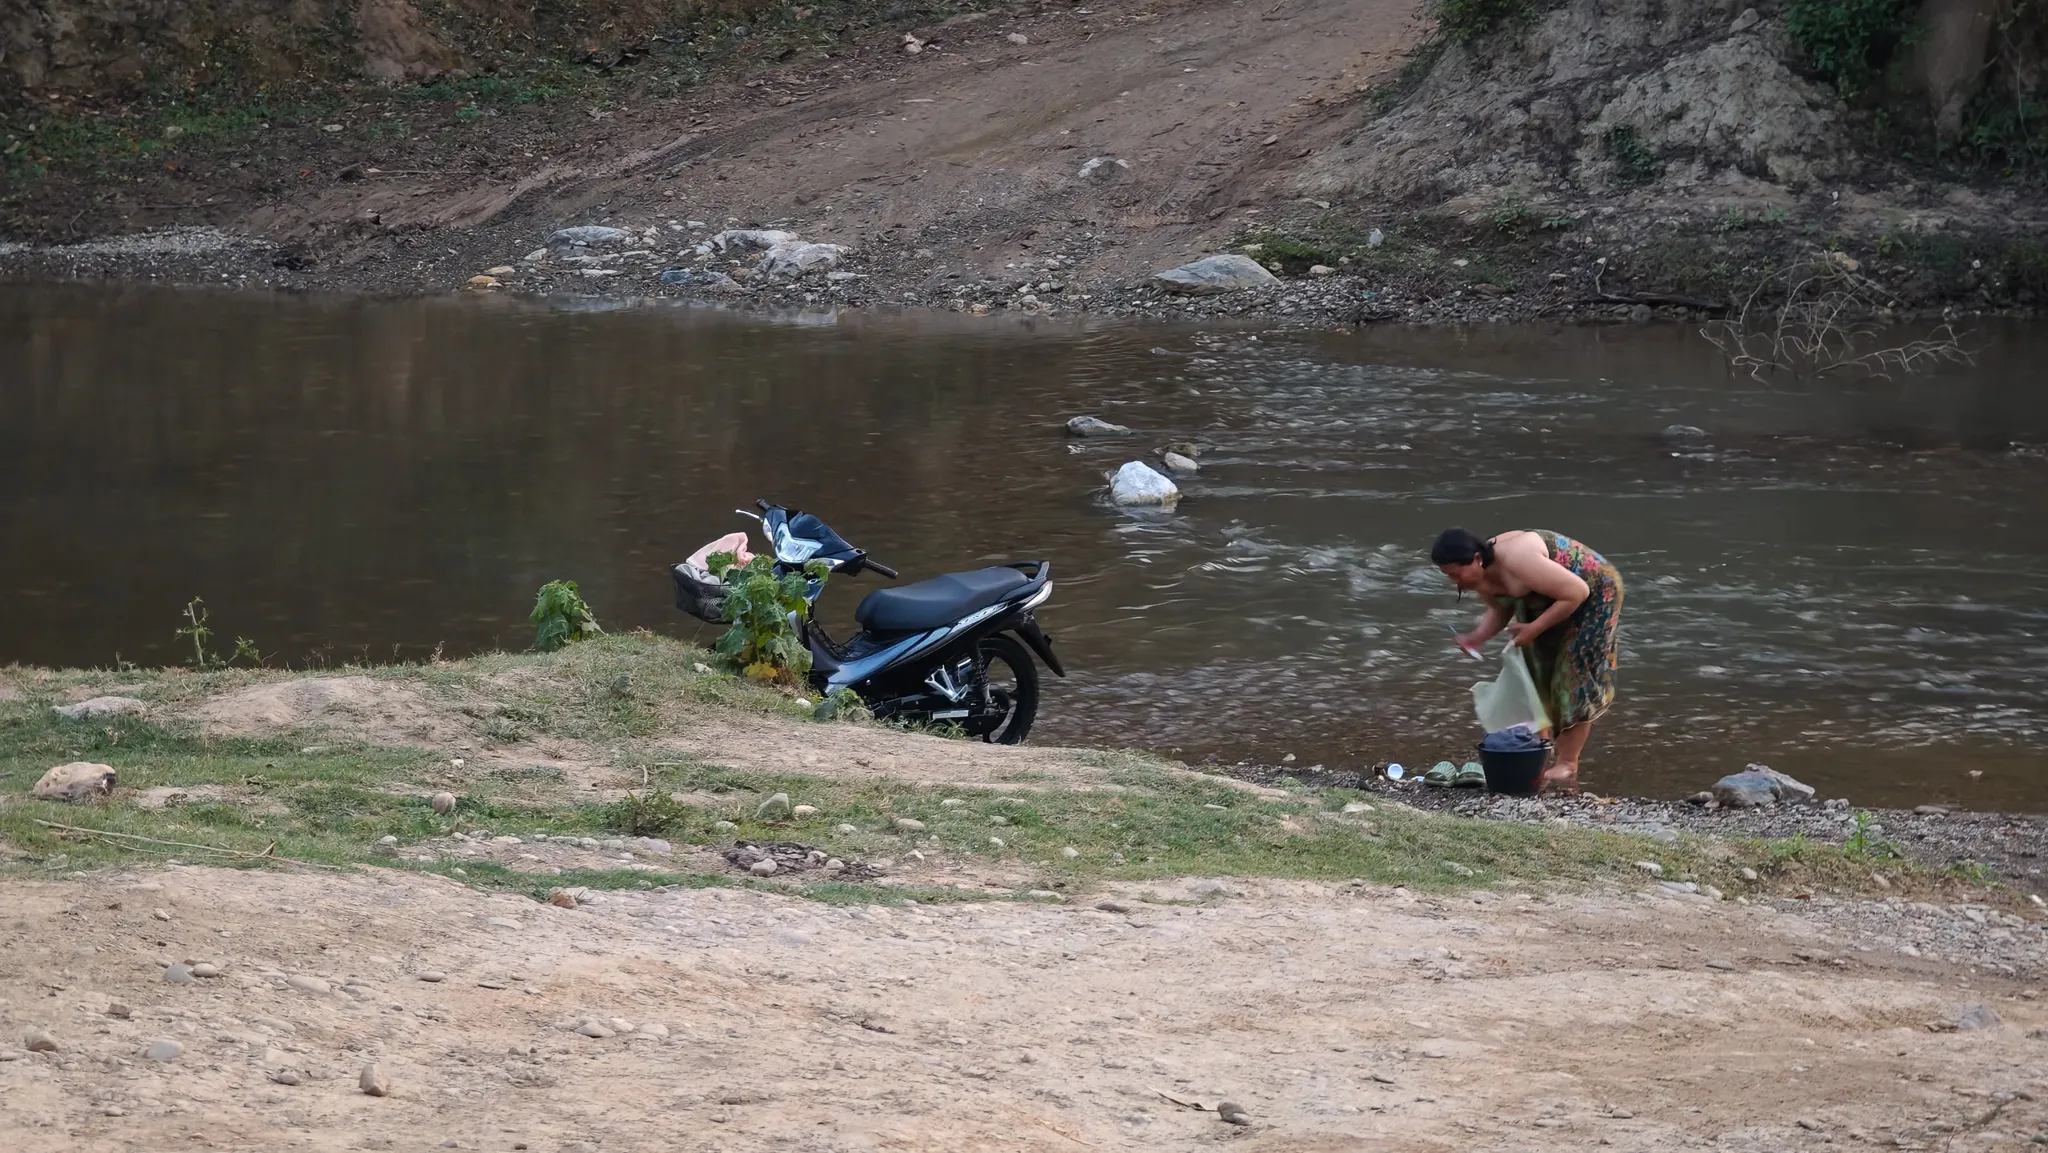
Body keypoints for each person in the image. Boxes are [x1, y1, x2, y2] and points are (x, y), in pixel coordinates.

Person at [1432, 527, 1624, 792]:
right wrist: (1476, 638)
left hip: (1593, 592)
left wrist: (1534, 628)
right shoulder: (1483, 575)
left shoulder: (1516, 557)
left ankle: (1568, 763)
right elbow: (1502, 608)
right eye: (1448, 576)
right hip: (1549, 594)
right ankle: (1539, 754)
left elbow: (1576, 592)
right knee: (1536, 669)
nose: (1455, 582)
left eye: (1455, 573)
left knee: (1572, 675)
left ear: (1476, 559)